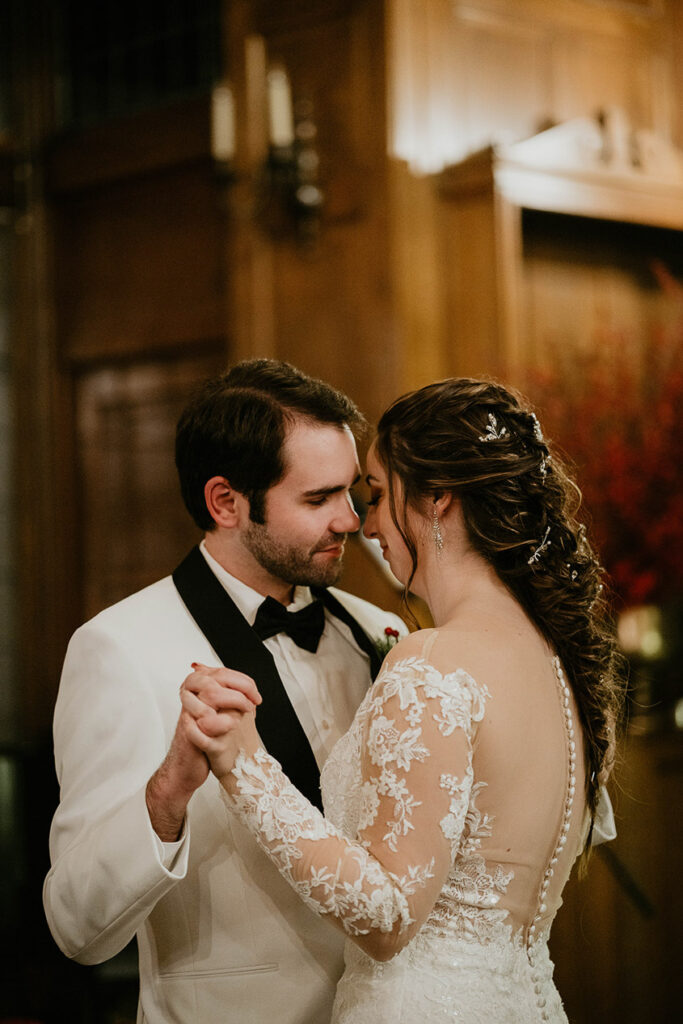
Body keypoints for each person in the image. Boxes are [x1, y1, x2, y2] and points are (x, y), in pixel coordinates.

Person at [180, 376, 625, 1024]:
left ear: (437, 499)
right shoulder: (556, 666)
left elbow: (386, 915)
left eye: (378, 494)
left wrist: (244, 762)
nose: (365, 524)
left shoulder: (433, 660)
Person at [43, 359, 406, 1024]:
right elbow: (76, 927)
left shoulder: (380, 631)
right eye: (318, 498)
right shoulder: (118, 650)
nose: (350, 520)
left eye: (353, 493)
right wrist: (167, 794)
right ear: (225, 503)